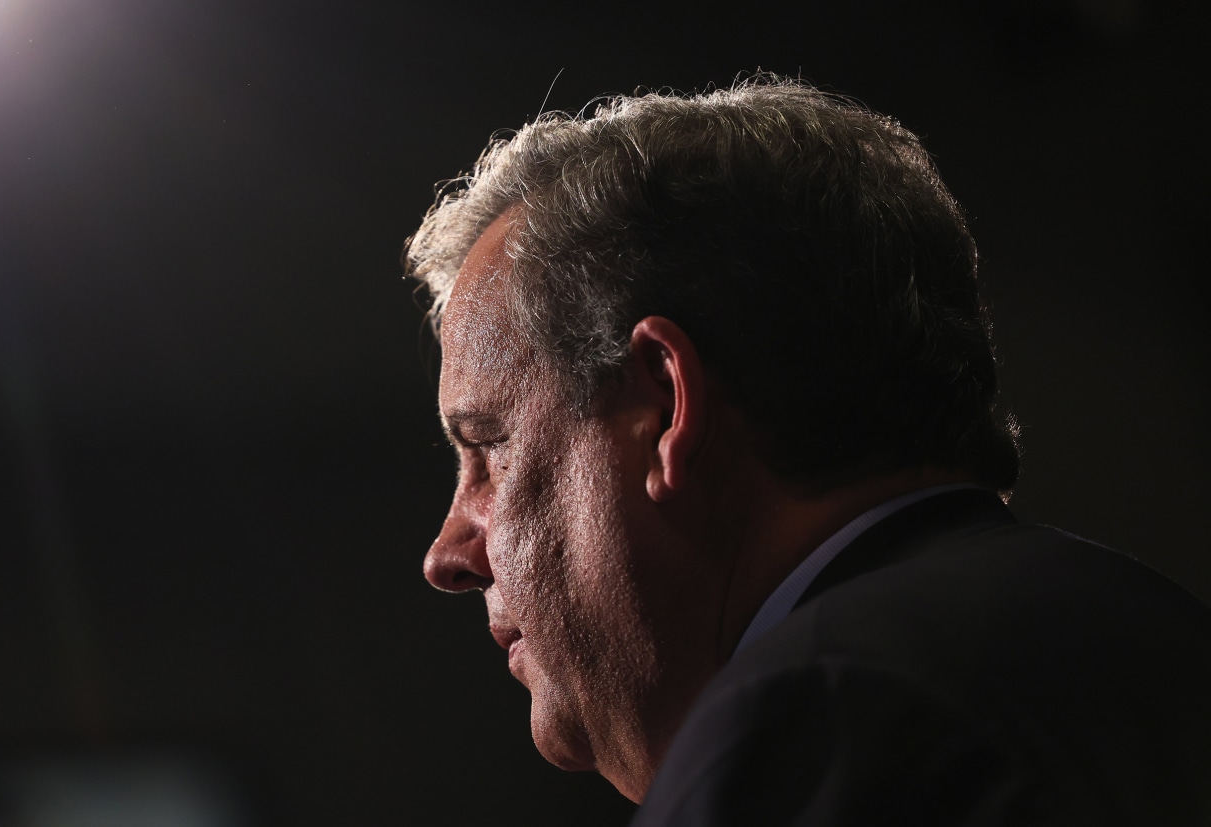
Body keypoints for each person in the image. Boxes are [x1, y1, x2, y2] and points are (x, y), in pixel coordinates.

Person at [405, 75, 1211, 825]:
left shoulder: (818, 721)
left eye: (489, 448)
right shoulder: (1150, 630)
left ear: (664, 406)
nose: (449, 553)